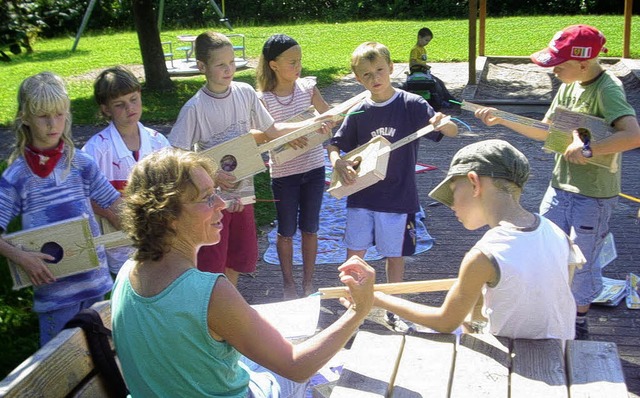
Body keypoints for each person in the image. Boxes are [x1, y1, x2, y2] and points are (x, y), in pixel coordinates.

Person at [110, 148, 375, 397]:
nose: (221, 204)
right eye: (206, 198)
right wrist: (358, 311)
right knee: (299, 369)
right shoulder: (209, 291)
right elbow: (297, 366)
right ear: (167, 216)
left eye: (216, 192)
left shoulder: (128, 272)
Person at [474, 25, 640, 340]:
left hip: (593, 197)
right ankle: (550, 309)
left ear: (584, 62)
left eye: (559, 65)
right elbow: (548, 131)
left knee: (581, 259)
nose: (554, 70)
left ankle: (577, 324)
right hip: (560, 188)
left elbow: (633, 135)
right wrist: (503, 117)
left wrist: (590, 148)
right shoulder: (568, 85)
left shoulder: (607, 89)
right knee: (546, 248)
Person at [168, 31, 331, 287]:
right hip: (213, 200)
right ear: (202, 66)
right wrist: (212, 175)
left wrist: (312, 124)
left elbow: (273, 130)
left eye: (232, 62)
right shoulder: (194, 107)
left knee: (238, 258)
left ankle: (230, 304)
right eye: (220, 64)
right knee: (213, 260)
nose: (229, 69)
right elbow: (176, 155)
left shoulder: (245, 92)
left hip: (244, 195)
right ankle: (214, 316)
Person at [373, 139, 578, 340]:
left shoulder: (485, 254)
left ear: (474, 183)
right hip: (560, 354)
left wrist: (376, 299)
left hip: (513, 362)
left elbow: (446, 322)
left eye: (453, 192)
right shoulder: (558, 233)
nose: (452, 205)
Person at [327, 41, 458, 332]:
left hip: (398, 197)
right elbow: (336, 145)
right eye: (366, 74)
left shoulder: (411, 104)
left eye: (379, 70)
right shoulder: (359, 110)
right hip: (360, 196)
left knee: (394, 256)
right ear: (357, 78)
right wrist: (338, 162)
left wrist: (442, 123)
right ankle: (353, 304)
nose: (374, 78)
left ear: (391, 68)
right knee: (354, 255)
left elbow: (451, 130)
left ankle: (393, 307)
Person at [0, 72, 122, 345]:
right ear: (25, 117)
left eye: (59, 114)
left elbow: (116, 204)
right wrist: (22, 258)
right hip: (55, 293)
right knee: (61, 372)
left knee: (102, 363)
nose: (53, 124)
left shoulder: (82, 163)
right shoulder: (16, 176)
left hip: (95, 285)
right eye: (43, 116)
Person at [256, 34, 331, 299]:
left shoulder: (308, 87)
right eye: (292, 62)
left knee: (311, 228)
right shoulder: (262, 99)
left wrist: (327, 123)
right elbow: (257, 135)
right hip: (284, 175)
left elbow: (329, 116)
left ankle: (308, 283)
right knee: (286, 230)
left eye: (299, 60)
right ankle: (288, 284)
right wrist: (284, 135)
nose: (298, 67)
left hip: (314, 169)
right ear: (273, 64)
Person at [82, 66, 171, 275]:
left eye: (133, 99)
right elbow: (83, 193)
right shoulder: (95, 149)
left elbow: (171, 186)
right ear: (105, 109)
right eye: (119, 105)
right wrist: (111, 213)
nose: (130, 108)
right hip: (119, 246)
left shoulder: (159, 141)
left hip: (158, 237)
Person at [407, 27, 457, 110]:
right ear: (419, 37)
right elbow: (413, 62)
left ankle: (449, 99)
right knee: (436, 85)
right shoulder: (415, 49)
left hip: (423, 72)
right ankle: (441, 101)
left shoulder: (422, 49)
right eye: (426, 40)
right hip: (417, 72)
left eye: (428, 41)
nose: (427, 43)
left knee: (440, 82)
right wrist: (423, 65)